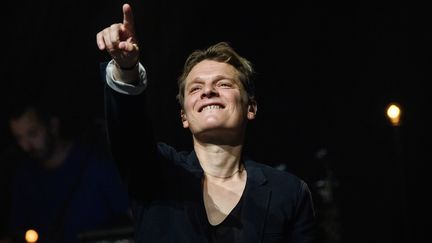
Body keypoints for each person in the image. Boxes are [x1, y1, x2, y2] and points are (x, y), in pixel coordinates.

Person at [96, 3, 317, 242]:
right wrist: (126, 68)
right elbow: (130, 132)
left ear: (250, 107)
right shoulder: (156, 173)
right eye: (196, 88)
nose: (208, 91)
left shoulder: (289, 192)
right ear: (184, 117)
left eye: (223, 84)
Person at [6, 97, 131, 243]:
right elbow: (16, 232)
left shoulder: (95, 164)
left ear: (52, 125)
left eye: (32, 134)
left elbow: (134, 217)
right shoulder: (24, 177)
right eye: (19, 138)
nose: (26, 145)